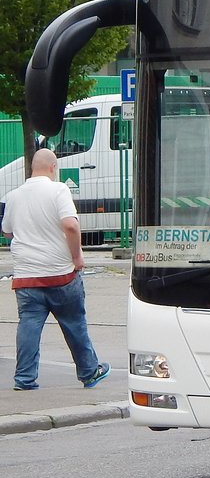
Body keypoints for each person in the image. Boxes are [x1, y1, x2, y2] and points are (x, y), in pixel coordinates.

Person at [2, 148, 109, 391]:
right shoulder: (59, 189)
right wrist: (77, 256)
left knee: (28, 326)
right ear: (53, 167)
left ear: (32, 168)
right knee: (74, 324)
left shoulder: (14, 195)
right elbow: (70, 225)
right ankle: (89, 372)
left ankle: (25, 379)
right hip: (60, 274)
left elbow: (7, 231)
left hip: (26, 277)